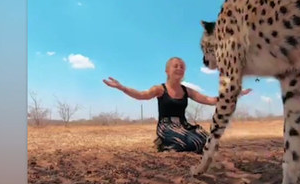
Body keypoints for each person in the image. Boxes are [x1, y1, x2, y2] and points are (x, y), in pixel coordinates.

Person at [103, 57, 252, 153]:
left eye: (182, 66)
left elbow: (209, 99)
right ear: (167, 71)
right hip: (166, 126)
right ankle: (164, 143)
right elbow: (142, 95)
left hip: (184, 125)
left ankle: (174, 144)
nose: (179, 68)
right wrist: (122, 87)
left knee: (207, 141)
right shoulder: (160, 89)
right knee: (187, 142)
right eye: (176, 66)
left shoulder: (187, 90)